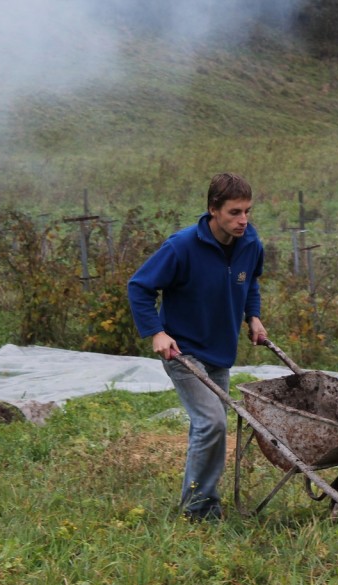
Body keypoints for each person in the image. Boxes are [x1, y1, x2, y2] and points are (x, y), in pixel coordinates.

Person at [128, 172, 267, 521]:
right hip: (182, 349)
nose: (243, 220)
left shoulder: (250, 243)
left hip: (220, 351)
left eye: (247, 211)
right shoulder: (182, 246)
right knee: (212, 424)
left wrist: (254, 316)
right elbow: (139, 287)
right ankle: (199, 509)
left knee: (206, 426)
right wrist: (156, 333)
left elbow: (250, 281)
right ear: (213, 210)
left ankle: (198, 499)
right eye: (235, 212)